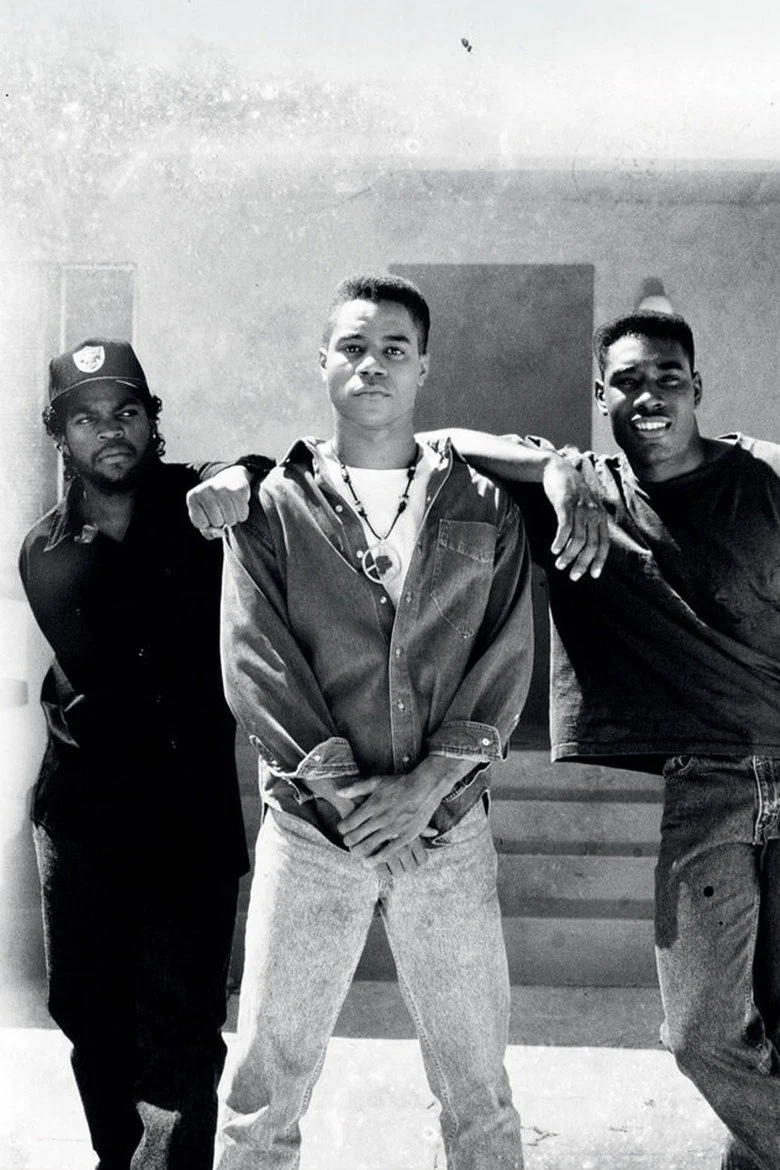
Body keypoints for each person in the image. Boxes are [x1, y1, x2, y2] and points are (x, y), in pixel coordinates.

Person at [210, 271, 543, 1170]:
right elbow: (256, 660)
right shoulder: (271, 508)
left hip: (447, 832)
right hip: (314, 833)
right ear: (321, 360)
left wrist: (425, 788)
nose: (372, 365)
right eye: (352, 347)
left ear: (424, 368)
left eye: (394, 349)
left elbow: (506, 655)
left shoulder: (483, 506)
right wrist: (354, 802)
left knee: (479, 1090)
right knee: (261, 1092)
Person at [433, 311, 780, 1170]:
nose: (649, 395)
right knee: (702, 1032)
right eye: (627, 381)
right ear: (601, 395)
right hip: (710, 785)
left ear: (697, 389)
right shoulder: (585, 491)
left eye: (668, 377)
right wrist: (553, 467)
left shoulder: (765, 476)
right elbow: (439, 444)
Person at [19, 338, 273, 1170]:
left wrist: (242, 475)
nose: (110, 430)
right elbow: (112, 668)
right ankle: (118, 1159)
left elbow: (273, 477)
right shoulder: (46, 550)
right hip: (82, 815)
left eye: (126, 411)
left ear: (150, 421)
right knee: (87, 1011)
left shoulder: (204, 508)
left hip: (187, 818)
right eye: (86, 419)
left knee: (182, 1020)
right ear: (61, 434)